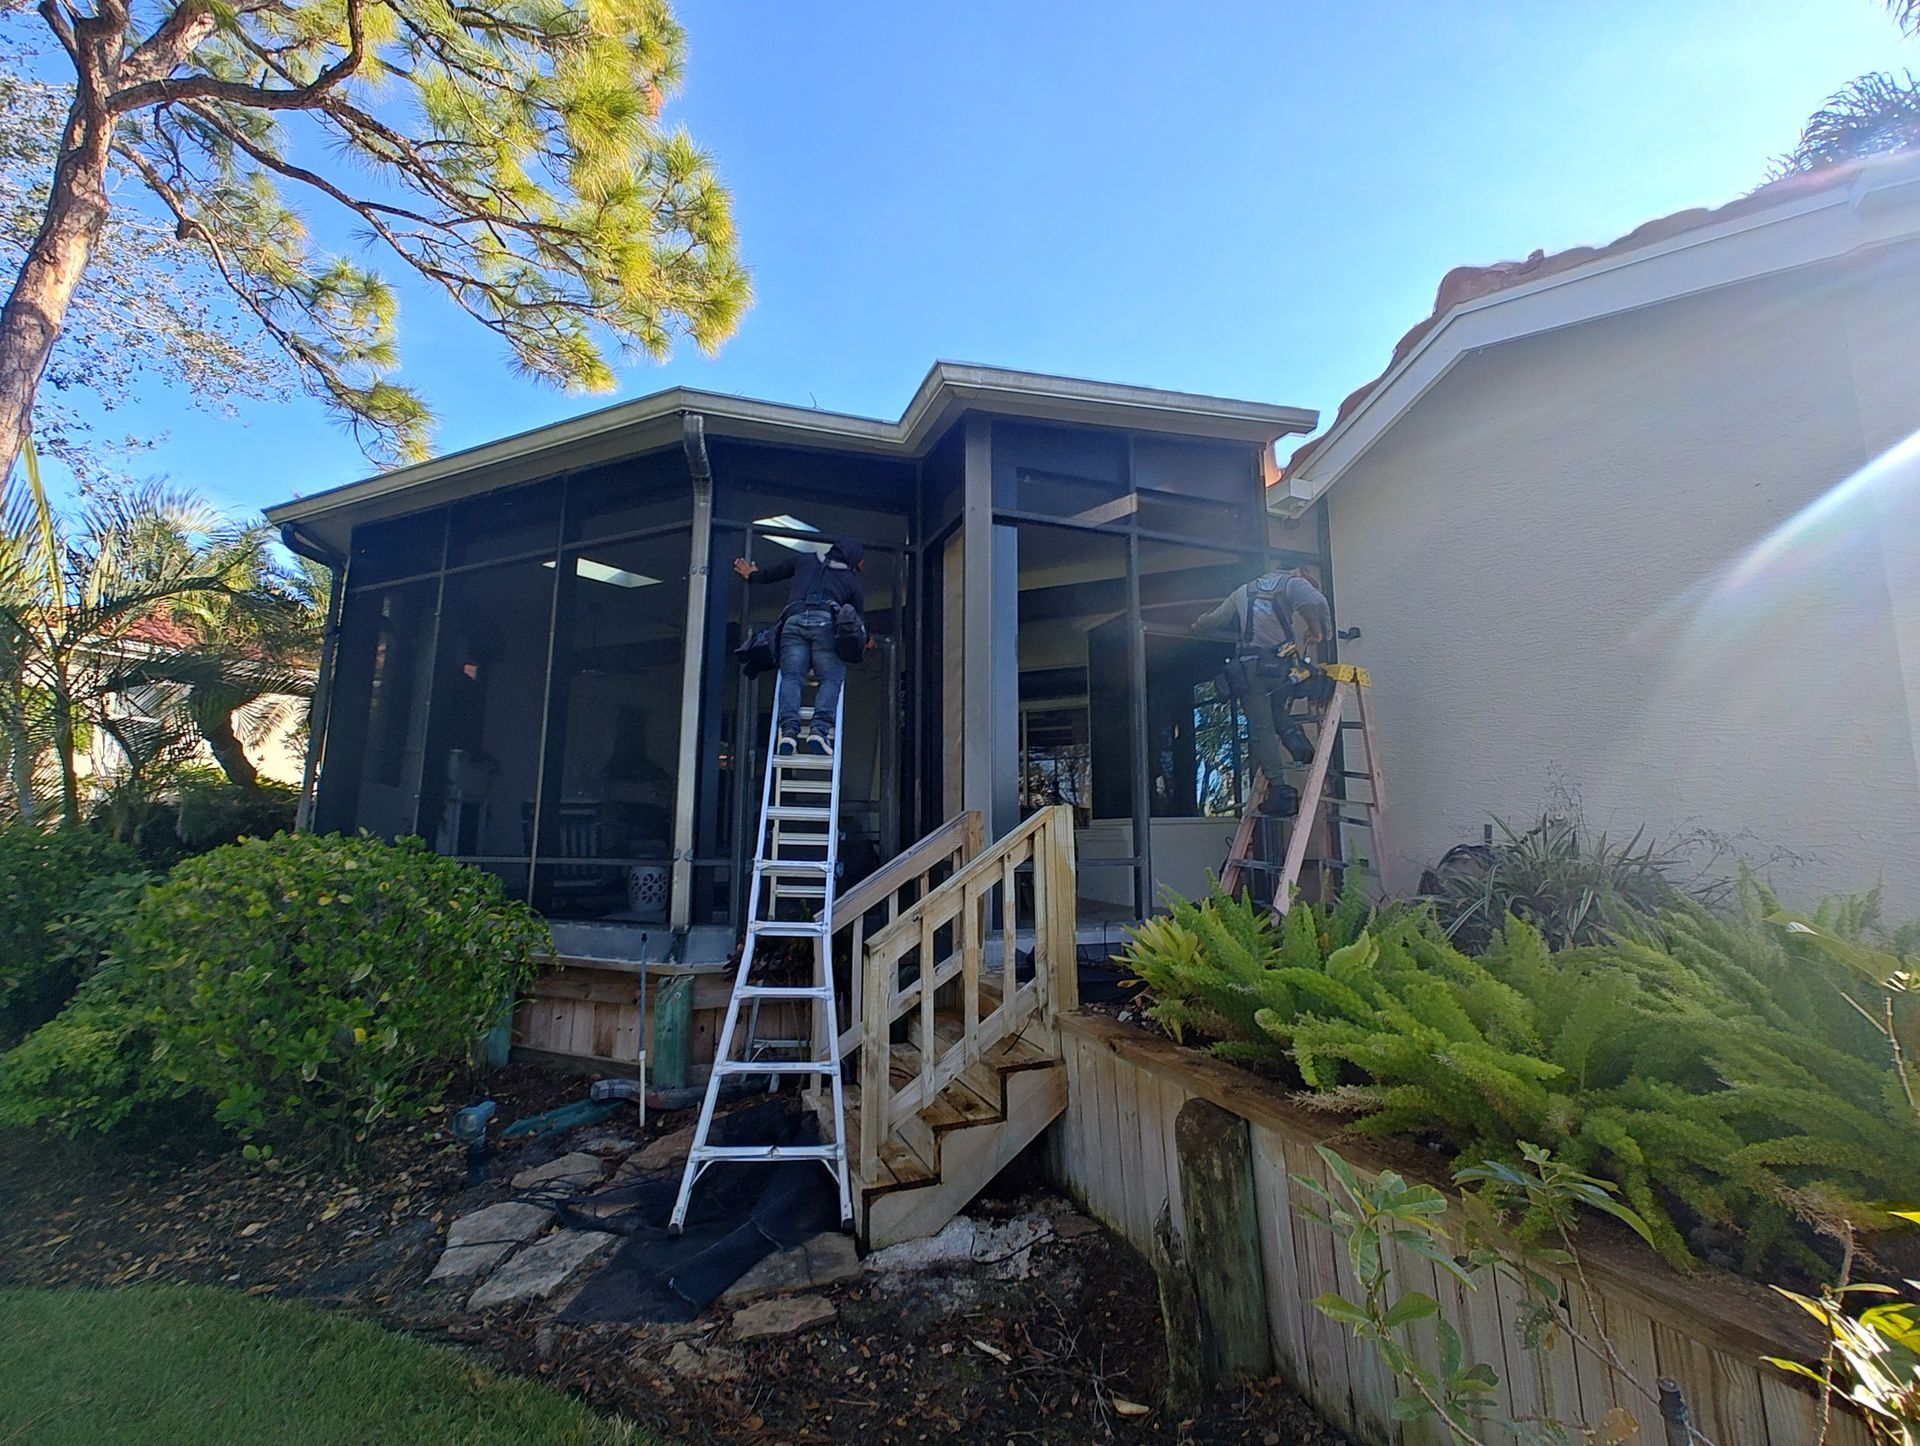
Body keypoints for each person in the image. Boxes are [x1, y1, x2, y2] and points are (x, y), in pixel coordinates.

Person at [1191, 567, 1333, 814]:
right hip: (1282, 671)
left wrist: (1197, 624)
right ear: (1296, 570)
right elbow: (1315, 600)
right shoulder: (1292, 583)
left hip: (1252, 670)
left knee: (1261, 727)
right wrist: (1320, 631)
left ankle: (1280, 790)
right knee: (1277, 710)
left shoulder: (1242, 592)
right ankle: (1299, 746)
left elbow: (1213, 620)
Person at [733, 536, 866, 756]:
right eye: (861, 561)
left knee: (792, 678)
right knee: (831, 678)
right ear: (853, 558)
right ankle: (819, 731)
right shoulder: (852, 583)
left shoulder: (804, 560)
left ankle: (788, 733)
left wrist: (752, 574)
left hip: (792, 623)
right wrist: (864, 640)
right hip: (826, 625)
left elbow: (774, 573)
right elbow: (857, 622)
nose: (862, 566)